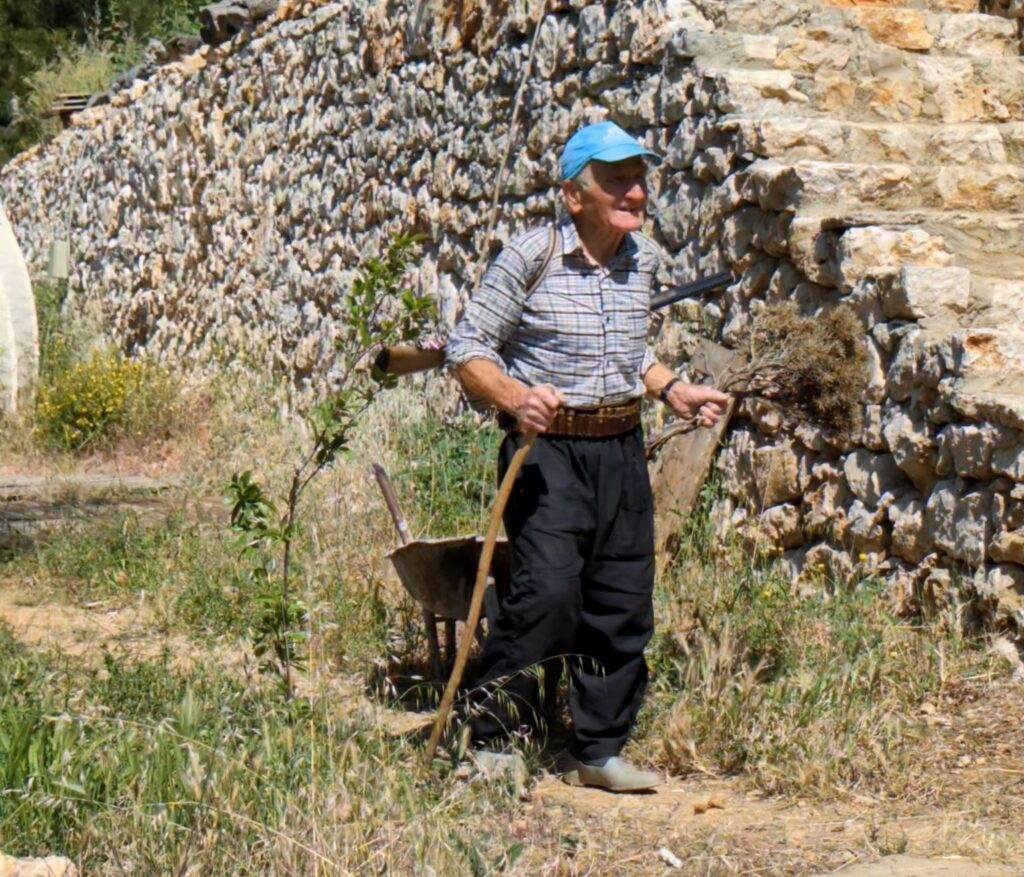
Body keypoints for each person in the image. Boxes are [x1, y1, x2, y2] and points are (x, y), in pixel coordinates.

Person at [445, 121, 730, 792]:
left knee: (623, 600)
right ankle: (487, 738)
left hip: (620, 450)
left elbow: (629, 353)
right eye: (617, 179)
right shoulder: (531, 255)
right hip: (547, 453)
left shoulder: (643, 259)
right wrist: (516, 397)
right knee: (548, 591)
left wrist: (673, 389)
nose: (636, 190)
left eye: (639, 176)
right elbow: (467, 349)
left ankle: (594, 750)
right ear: (575, 195)